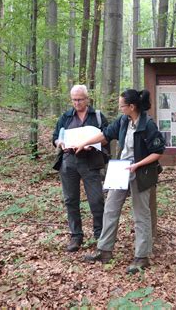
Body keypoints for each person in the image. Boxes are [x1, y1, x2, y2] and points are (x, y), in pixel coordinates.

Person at [74, 89, 165, 274]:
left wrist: (137, 165)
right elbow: (106, 135)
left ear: (131, 106)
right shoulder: (123, 120)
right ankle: (104, 250)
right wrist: (85, 143)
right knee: (110, 208)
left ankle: (142, 256)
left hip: (141, 172)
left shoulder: (148, 124)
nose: (120, 108)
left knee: (141, 214)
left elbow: (158, 151)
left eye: (122, 105)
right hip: (120, 169)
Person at [52, 85, 108, 252]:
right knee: (70, 200)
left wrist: (92, 145)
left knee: (96, 200)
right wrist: (59, 143)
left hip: (90, 161)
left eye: (80, 99)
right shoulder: (66, 117)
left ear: (87, 99)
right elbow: (56, 137)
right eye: (74, 100)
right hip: (68, 161)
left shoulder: (97, 116)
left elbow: (107, 135)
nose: (77, 103)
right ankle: (76, 236)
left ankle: (100, 235)